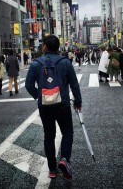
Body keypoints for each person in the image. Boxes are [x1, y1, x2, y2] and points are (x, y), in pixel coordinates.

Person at [25, 35, 82, 180]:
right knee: (67, 131)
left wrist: (39, 96)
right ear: (58, 47)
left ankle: (52, 170)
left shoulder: (36, 63)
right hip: (62, 104)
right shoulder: (65, 62)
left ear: (44, 46)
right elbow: (74, 84)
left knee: (49, 136)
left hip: (45, 106)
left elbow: (29, 85)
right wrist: (78, 101)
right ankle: (64, 159)